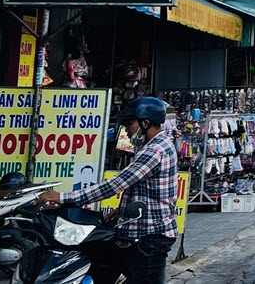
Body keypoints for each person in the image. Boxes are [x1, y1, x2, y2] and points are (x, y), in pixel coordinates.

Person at [37, 97, 177, 284]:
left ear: (145, 123)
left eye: (130, 124)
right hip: (140, 232)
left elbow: (115, 185)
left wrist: (63, 197)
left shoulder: (154, 150)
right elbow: (149, 192)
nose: (127, 131)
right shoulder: (156, 145)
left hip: (148, 237)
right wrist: (121, 211)